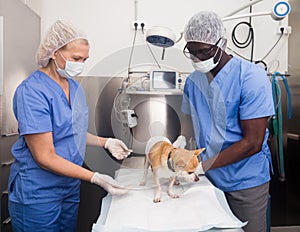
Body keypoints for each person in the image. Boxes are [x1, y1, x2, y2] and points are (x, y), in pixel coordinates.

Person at [8, 20, 132, 231]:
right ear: (54, 52)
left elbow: (71, 133)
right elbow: (44, 156)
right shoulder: (32, 92)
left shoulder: (74, 88)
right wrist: (94, 177)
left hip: (69, 187)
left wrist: (106, 142)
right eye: (76, 58)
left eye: (84, 59)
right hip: (38, 193)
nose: (81, 64)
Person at [173, 11, 274, 232]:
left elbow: (253, 142)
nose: (198, 59)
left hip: (245, 181)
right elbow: (191, 118)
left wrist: (200, 166)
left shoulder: (251, 77)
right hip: (209, 180)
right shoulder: (193, 82)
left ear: (222, 43)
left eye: (204, 52)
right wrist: (181, 138)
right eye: (192, 53)